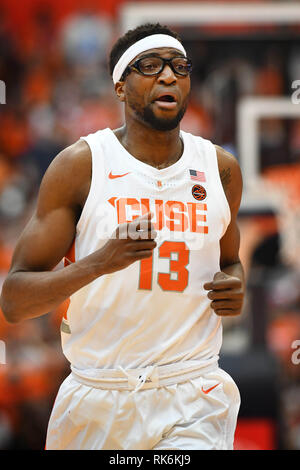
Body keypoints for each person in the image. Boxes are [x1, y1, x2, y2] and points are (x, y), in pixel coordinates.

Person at [0, 23, 245, 450]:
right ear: (119, 86)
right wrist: (99, 262)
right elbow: (15, 301)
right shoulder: (81, 166)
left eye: (179, 66)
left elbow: (230, 262)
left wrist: (235, 286)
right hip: (97, 391)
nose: (168, 76)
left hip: (193, 389)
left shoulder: (220, 169)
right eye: (150, 66)